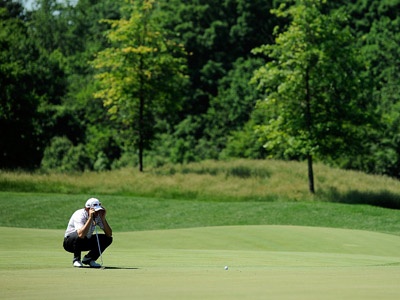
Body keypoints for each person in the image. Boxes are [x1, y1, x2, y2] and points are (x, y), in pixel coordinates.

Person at [63, 198, 113, 268]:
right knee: (78, 235)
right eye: (95, 210)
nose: (97, 212)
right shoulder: (79, 214)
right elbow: (81, 234)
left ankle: (89, 259)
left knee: (108, 239)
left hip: (85, 241)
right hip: (70, 243)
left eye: (98, 210)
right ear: (87, 209)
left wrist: (103, 218)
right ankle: (76, 260)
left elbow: (109, 234)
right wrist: (90, 218)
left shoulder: (98, 216)